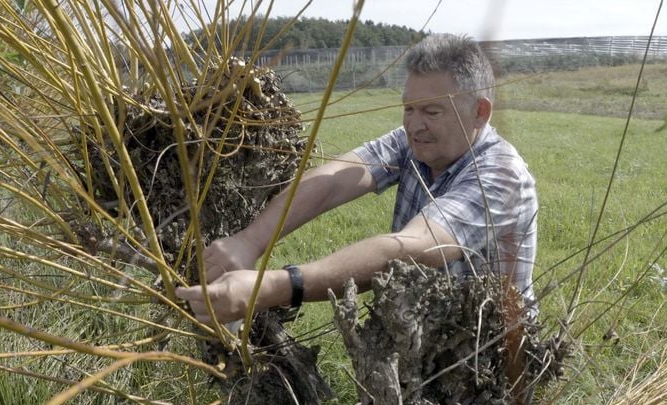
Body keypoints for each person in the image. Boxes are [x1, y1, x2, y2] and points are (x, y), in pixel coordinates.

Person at [176, 33, 538, 324]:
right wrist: (249, 241)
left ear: (479, 112)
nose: (414, 124)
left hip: (484, 363)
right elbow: (334, 179)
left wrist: (275, 286)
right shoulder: (415, 142)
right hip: (417, 337)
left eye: (431, 111)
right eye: (408, 108)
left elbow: (414, 248)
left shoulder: (502, 176)